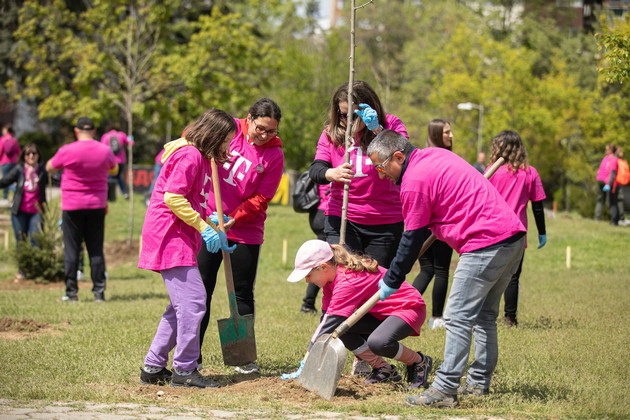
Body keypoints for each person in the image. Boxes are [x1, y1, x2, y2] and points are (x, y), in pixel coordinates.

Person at [367, 130, 526, 408]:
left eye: (381, 167)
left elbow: (411, 238)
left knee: (456, 318)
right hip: (511, 239)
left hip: (485, 243)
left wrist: (392, 279)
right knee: (484, 317)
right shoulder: (435, 155)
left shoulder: (414, 181)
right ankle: (478, 384)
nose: (381, 175)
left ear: (398, 156)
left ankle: (444, 389)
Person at [309, 80, 409, 376]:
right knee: (338, 285)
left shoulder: (391, 125)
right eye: (342, 114)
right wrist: (331, 172)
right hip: (342, 220)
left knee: (371, 292)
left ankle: (368, 358)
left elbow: (403, 160)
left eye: (354, 114)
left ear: (370, 107)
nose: (348, 121)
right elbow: (315, 170)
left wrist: (377, 130)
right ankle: (330, 351)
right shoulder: (332, 133)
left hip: (384, 223)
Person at [138, 108, 237, 388]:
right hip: (169, 235)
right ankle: (184, 370)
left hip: (179, 235)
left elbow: (191, 198)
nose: (228, 146)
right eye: (226, 140)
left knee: (179, 306)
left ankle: (153, 367)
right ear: (214, 135)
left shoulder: (201, 158)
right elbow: (173, 197)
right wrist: (204, 227)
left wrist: (210, 219)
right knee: (193, 303)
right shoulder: (190, 155)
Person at [197, 98, 284, 375]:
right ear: (248, 119)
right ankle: (191, 354)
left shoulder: (274, 154)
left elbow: (262, 197)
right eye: (260, 129)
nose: (265, 136)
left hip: (245, 230)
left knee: (243, 292)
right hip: (209, 224)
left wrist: (234, 218)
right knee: (201, 291)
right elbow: (192, 141)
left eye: (271, 131)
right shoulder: (227, 130)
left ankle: (243, 357)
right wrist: (214, 218)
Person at [287, 240, 433, 388]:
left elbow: (330, 323)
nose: (307, 281)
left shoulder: (347, 280)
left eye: (308, 275)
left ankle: (418, 361)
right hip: (379, 315)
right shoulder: (330, 281)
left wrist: (308, 360)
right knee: (342, 329)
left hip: (408, 308)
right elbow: (327, 321)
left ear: (323, 267)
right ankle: (383, 369)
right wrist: (310, 356)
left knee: (378, 342)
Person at [46, 117, 117, 303]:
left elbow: (49, 167)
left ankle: (71, 293)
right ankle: (99, 293)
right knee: (95, 249)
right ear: (94, 131)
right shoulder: (105, 150)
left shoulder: (67, 150)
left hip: (72, 205)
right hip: (96, 205)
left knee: (71, 250)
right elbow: (115, 170)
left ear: (76, 130)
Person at [487, 130, 547, 327]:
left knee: (490, 276)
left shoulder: (492, 171)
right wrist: (542, 232)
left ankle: (485, 315)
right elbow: (537, 206)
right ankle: (510, 318)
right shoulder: (530, 173)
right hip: (517, 233)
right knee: (512, 277)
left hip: (492, 231)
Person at [412, 119, 455, 330]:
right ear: (438, 134)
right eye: (447, 132)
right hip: (438, 221)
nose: (451, 136)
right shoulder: (443, 158)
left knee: (427, 270)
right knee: (441, 271)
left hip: (422, 220)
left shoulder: (421, 155)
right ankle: (437, 318)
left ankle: (403, 306)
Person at [0, 143, 48, 280]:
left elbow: (58, 179)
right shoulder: (19, 170)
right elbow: (4, 182)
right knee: (21, 241)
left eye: (34, 153)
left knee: (36, 240)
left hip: (36, 212)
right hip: (19, 212)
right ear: (24, 156)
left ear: (38, 156)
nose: (31, 156)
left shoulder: (43, 171)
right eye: (28, 154)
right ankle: (22, 271)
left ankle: (36, 270)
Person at [300, 183, 330, 314]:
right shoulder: (341, 164)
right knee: (326, 262)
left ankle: (308, 303)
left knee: (321, 260)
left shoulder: (323, 165)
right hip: (328, 214)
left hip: (317, 213)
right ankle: (308, 303)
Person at [100, 127, 134, 199]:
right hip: (121, 161)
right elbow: (130, 142)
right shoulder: (121, 135)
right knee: (119, 177)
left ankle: (109, 195)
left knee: (109, 178)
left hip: (110, 161)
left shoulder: (105, 136)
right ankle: (124, 193)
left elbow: (102, 148)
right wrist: (131, 138)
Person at [594, 143, 618, 225]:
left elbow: (611, 172)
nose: (605, 151)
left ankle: (598, 218)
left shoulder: (607, 158)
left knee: (602, 200)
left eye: (607, 149)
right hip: (604, 181)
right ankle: (613, 221)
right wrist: (609, 183)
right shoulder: (611, 158)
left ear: (611, 150)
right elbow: (612, 173)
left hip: (602, 181)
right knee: (610, 201)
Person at [0, 124, 21, 202]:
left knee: (6, 180)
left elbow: (0, 151)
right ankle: (16, 192)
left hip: (5, 162)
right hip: (14, 162)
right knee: (12, 179)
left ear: (6, 131)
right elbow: (19, 151)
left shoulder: (3, 139)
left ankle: (6, 196)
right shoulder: (14, 140)